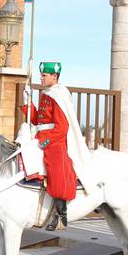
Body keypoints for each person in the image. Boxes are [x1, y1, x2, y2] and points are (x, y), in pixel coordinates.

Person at [22, 62, 97, 231]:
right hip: (40, 137)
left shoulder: (59, 95)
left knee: (57, 172)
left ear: (54, 76)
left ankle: (61, 215)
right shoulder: (46, 94)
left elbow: (62, 127)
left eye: (44, 76)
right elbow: (36, 120)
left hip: (55, 141)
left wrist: (44, 142)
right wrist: (27, 102)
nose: (41, 78)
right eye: (41, 75)